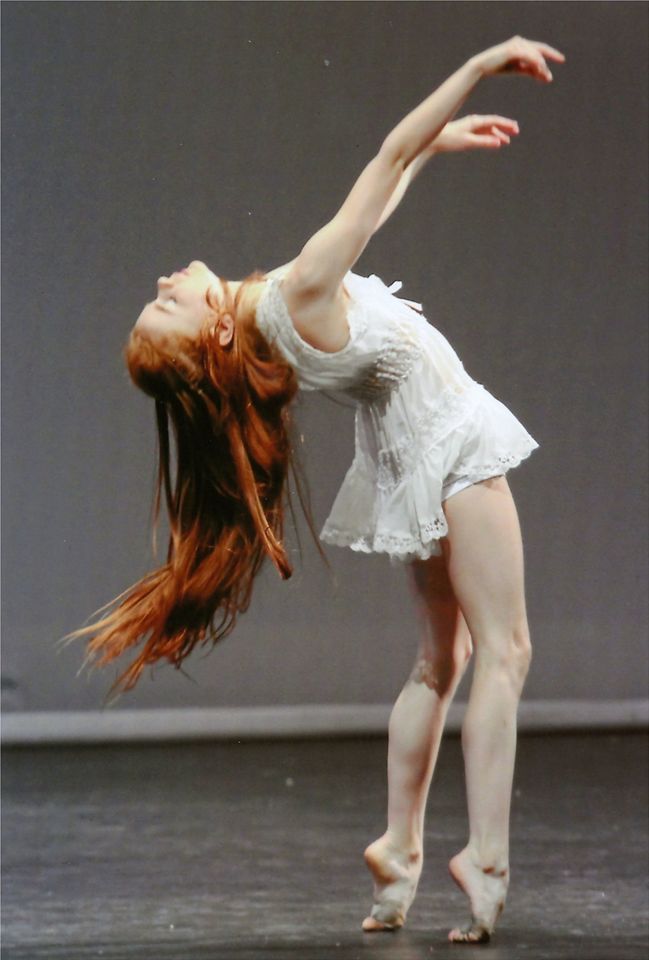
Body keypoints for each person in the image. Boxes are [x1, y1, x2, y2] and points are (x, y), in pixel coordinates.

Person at [72, 35, 565, 943]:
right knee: (505, 651)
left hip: (410, 462)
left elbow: (377, 197)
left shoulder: (276, 307)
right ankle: (485, 857)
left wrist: (432, 147)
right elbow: (381, 160)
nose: (166, 280)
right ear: (215, 336)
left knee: (440, 662)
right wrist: (473, 68)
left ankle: (398, 855)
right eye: (168, 303)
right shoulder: (295, 291)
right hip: (451, 446)